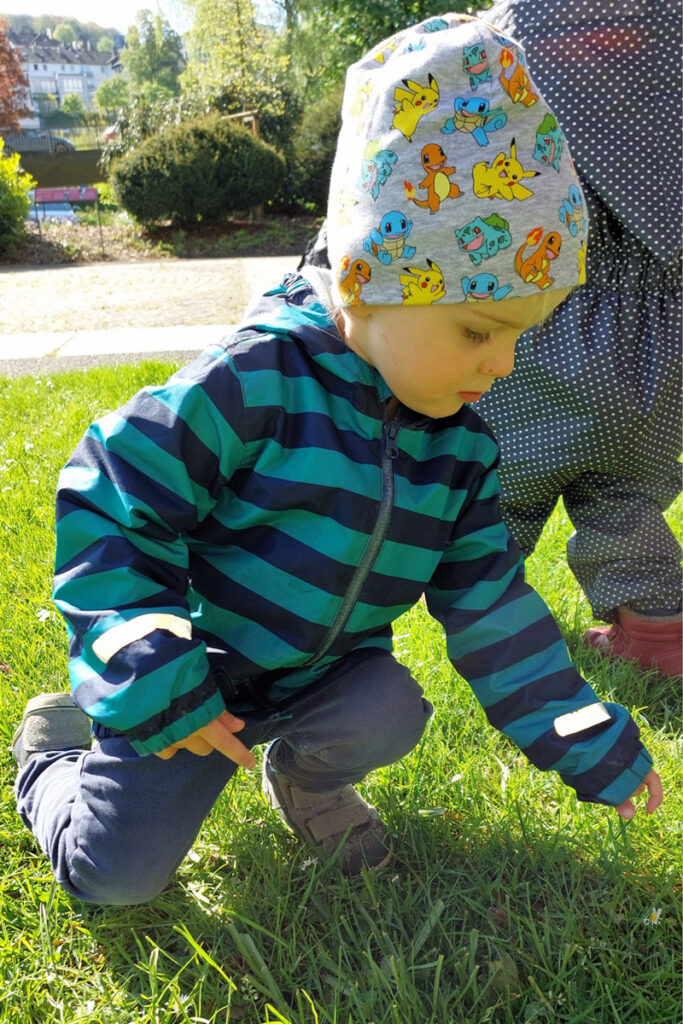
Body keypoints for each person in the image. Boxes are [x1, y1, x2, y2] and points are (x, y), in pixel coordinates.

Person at [13, 14, 662, 906]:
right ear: (366, 278)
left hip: (320, 678)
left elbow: (496, 615)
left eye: (521, 337)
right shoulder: (253, 381)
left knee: (389, 705)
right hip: (189, 677)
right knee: (114, 877)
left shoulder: (460, 449)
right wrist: (150, 670)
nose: (502, 364)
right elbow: (108, 495)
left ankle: (307, 778)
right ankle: (52, 750)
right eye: (478, 329)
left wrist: (591, 739)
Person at [471, 0, 682, 677]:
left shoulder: (513, 34)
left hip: (541, 314)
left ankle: (486, 623)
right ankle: (657, 635)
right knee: (623, 496)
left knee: (494, 490)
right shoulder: (666, 32)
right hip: (660, 333)